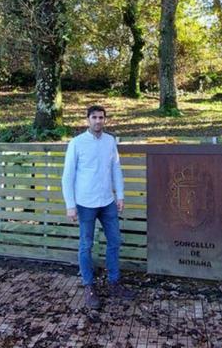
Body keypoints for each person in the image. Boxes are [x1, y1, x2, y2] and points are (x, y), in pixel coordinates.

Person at [62, 105, 135, 309]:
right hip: (85, 203)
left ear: (105, 120)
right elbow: (68, 176)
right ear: (87, 120)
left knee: (115, 241)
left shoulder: (110, 141)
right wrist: (70, 205)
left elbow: (116, 169)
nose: (98, 121)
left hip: (107, 201)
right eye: (94, 117)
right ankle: (89, 286)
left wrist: (119, 195)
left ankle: (113, 282)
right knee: (86, 245)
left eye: (101, 117)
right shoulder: (76, 143)